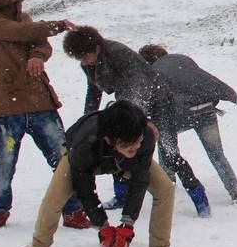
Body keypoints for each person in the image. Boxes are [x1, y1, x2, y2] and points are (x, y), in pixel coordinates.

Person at [0, 0, 90, 231]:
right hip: (4, 106)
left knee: (63, 158)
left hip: (39, 102)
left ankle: (74, 210)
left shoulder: (24, 19)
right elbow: (16, 32)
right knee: (3, 162)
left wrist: (38, 56)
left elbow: (40, 43)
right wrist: (55, 25)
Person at [62, 27, 211, 217]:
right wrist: (89, 120)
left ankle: (199, 196)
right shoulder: (88, 64)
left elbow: (139, 84)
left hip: (157, 99)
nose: (82, 61)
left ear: (97, 48)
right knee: (115, 147)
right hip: (127, 102)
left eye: (84, 56)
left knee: (169, 151)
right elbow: (93, 92)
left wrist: (140, 119)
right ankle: (121, 196)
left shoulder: (118, 53)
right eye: (78, 58)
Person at [15, 101, 180, 247]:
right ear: (110, 140)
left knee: (165, 188)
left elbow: (139, 180)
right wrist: (103, 226)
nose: (137, 146)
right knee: (54, 197)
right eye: (130, 145)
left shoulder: (144, 137)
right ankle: (39, 244)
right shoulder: (85, 145)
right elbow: (85, 188)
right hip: (82, 157)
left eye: (139, 142)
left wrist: (127, 224)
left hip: (123, 160)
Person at [139, 45, 237, 202]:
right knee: (216, 154)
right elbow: (201, 80)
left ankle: (167, 181)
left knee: (166, 144)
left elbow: (152, 101)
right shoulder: (182, 59)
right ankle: (236, 190)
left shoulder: (153, 71)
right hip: (205, 110)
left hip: (177, 115)